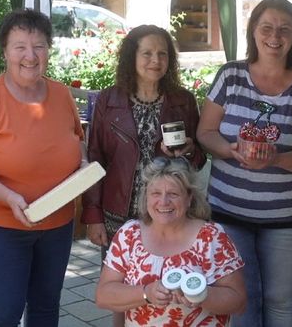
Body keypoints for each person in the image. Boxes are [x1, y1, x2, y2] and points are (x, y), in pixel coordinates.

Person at [197, 0, 292, 327]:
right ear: (253, 31)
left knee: (279, 300)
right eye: (267, 27)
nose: (275, 36)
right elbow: (205, 132)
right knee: (241, 297)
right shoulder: (230, 76)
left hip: (286, 218)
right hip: (229, 212)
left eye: (285, 29)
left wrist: (277, 157)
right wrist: (231, 151)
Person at [0, 8, 84, 327]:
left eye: (38, 46)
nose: (30, 55)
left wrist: (85, 163)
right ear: (6, 52)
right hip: (1, 227)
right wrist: (9, 196)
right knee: (5, 311)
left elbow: (76, 140)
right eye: (20, 46)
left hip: (57, 223)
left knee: (46, 307)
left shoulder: (62, 95)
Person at [85, 24, 206, 250]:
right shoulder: (108, 101)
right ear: (132, 56)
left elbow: (198, 161)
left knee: (166, 281)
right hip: (119, 214)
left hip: (169, 212)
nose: (156, 60)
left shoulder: (183, 101)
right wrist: (93, 216)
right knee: (117, 281)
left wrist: (189, 151)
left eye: (162, 54)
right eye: (147, 53)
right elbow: (95, 160)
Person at [95, 156, 247, 326]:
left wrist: (200, 295)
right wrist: (146, 293)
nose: (164, 202)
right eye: (156, 193)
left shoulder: (211, 238)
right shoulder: (129, 235)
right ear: (146, 197)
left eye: (173, 194)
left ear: (189, 198)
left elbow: (238, 302)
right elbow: (103, 295)